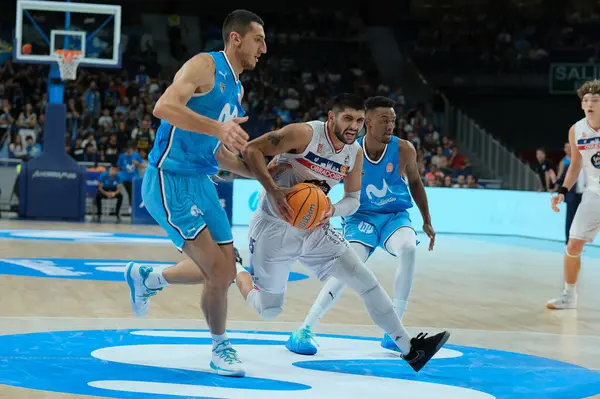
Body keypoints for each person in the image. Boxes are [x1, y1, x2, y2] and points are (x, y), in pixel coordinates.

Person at [236, 93, 449, 373]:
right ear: (331, 117)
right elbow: (251, 150)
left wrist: (332, 211)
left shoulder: (354, 153)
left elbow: (353, 200)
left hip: (316, 227)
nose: (354, 126)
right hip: (273, 228)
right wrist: (273, 191)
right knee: (269, 309)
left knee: (364, 279)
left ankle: (410, 349)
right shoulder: (304, 134)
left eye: (359, 120)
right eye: (348, 118)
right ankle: (235, 266)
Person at [123, 9, 267, 377]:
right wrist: (218, 128)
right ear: (236, 39)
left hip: (202, 181)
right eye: (258, 40)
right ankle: (221, 348)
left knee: (225, 268)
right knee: (219, 273)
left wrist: (264, 175)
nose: (263, 48)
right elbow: (164, 107)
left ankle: (148, 278)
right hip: (169, 179)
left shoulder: (237, 88)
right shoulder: (204, 65)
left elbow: (217, 152)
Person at [284, 95, 436, 355]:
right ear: (368, 123)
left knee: (409, 249)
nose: (390, 125)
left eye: (393, 120)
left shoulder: (405, 150)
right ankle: (305, 328)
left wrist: (426, 219)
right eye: (384, 120)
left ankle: (394, 328)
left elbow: (416, 184)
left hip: (394, 215)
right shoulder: (350, 152)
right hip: (360, 217)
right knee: (348, 267)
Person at [548, 80, 600, 310]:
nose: (589, 104)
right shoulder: (576, 130)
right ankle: (569, 296)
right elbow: (575, 165)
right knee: (573, 246)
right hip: (594, 195)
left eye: (595, 100)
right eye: (586, 100)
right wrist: (562, 191)